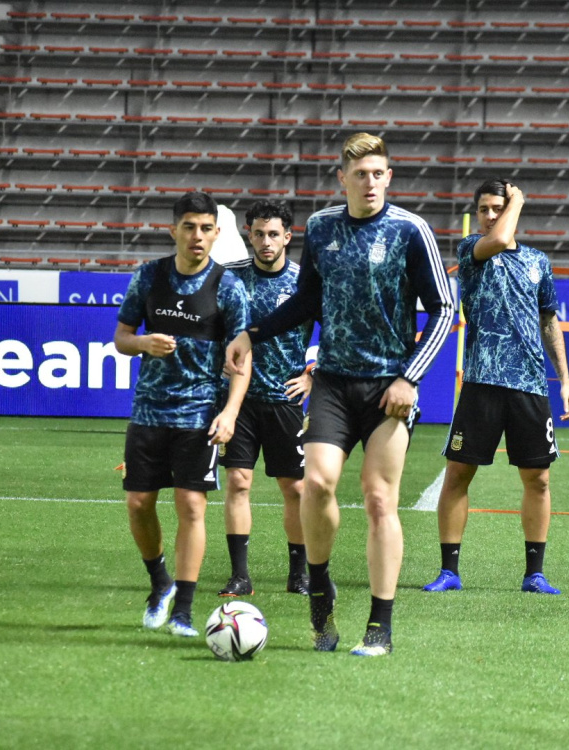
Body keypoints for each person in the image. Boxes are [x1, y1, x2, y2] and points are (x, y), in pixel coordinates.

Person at [225, 133, 454, 657]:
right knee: (317, 484)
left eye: (378, 174)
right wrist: (252, 334)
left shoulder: (410, 230)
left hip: (389, 388)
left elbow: (444, 309)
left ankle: (379, 625)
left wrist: (410, 377)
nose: (370, 182)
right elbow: (307, 300)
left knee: (379, 498)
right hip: (331, 381)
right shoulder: (322, 227)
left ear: (388, 177)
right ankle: (320, 588)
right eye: (360, 174)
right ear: (342, 179)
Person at [422, 179, 569, 596]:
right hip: (481, 383)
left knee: (538, 479)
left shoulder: (538, 261)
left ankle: (534, 574)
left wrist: (565, 381)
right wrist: (517, 201)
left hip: (529, 385)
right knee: (458, 474)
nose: (490, 216)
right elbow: (501, 238)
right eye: (484, 209)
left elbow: (549, 321)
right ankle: (449, 571)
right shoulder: (471, 250)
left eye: (497, 208)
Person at [113, 192, 251, 637]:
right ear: (173, 230)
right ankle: (160, 582)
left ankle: (184, 612)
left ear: (217, 233)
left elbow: (242, 358)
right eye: (189, 227)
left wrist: (230, 412)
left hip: (198, 412)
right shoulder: (149, 277)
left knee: (191, 506)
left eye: (206, 228)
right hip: (148, 411)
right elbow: (121, 337)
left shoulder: (228, 286)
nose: (197, 236)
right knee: (138, 503)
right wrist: (143, 343)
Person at [218, 200, 314, 598]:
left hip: (284, 400)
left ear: (287, 236)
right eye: (258, 233)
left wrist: (312, 376)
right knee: (238, 482)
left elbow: (337, 331)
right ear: (249, 234)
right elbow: (210, 328)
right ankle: (240, 576)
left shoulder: (304, 281)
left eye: (274, 234)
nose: (266, 241)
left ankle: (299, 574)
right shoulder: (229, 278)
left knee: (295, 489)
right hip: (237, 402)